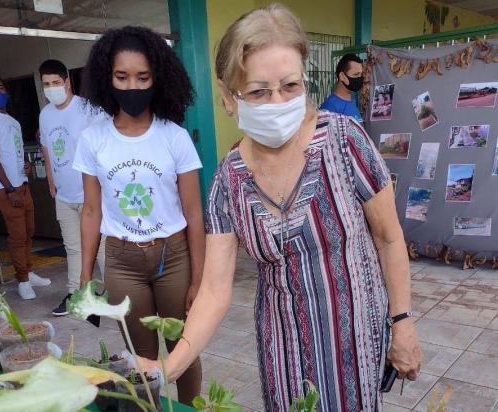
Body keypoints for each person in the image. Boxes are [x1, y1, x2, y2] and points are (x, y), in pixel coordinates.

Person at [139, 5, 422, 411]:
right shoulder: (227, 181)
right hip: (283, 346)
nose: (276, 102)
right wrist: (170, 365)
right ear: (229, 97)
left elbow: (389, 238)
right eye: (257, 91)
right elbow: (216, 290)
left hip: (355, 336)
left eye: (289, 86)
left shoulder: (346, 143)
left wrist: (403, 323)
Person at [74, 26, 204, 405]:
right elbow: (91, 210)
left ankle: (188, 407)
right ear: (106, 78)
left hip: (174, 257)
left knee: (183, 349)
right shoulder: (93, 139)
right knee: (141, 355)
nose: (132, 86)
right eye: (122, 77)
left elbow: (195, 214)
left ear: (157, 79)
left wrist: (198, 279)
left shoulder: (174, 137)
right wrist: (85, 275)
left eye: (142, 77)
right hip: (122, 261)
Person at [38, 59, 106, 316]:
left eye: (56, 82)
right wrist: (50, 179)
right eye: (47, 84)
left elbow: (105, 142)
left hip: (92, 194)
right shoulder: (45, 114)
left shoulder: (88, 109)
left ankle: (113, 293)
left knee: (101, 248)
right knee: (74, 247)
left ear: (67, 82)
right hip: (64, 195)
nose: (52, 88)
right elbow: (47, 147)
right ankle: (75, 294)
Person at [0, 74, 51, 300]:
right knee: (18, 237)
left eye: (0, 87)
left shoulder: (11, 120)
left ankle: (28, 271)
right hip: (6, 189)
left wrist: (25, 166)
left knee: (28, 232)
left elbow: (13, 152)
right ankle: (22, 280)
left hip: (21, 183)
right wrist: (9, 189)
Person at [320, 53, 364, 123]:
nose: (360, 78)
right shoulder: (329, 108)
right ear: (342, 76)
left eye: (361, 74)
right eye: (356, 74)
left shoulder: (352, 99)